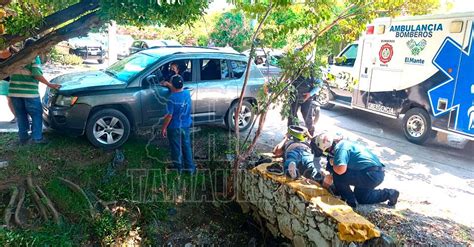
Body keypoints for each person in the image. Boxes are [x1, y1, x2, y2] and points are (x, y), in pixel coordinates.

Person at [315, 133, 400, 208]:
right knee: (362, 198)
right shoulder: (346, 144)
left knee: (337, 175)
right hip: (375, 174)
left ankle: (349, 202)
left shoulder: (341, 147)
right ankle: (390, 193)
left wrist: (329, 176)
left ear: (327, 147)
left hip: (370, 175)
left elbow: (340, 170)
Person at [8, 39, 61, 145]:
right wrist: (49, 84)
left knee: (21, 115)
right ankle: (37, 138)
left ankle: (23, 138)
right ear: (35, 48)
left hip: (14, 92)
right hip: (29, 93)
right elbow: (36, 74)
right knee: (36, 114)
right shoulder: (33, 57)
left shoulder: (15, 57)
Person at [161, 74, 196, 174]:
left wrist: (164, 128)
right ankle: (190, 169)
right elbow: (177, 89)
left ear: (172, 85)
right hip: (185, 126)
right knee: (186, 146)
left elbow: (169, 116)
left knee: (176, 147)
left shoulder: (171, 99)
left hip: (174, 127)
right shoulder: (187, 93)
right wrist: (170, 84)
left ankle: (178, 169)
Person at [287, 68, 321, 136]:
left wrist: (310, 94)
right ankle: (291, 134)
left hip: (307, 97)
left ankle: (310, 135)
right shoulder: (294, 67)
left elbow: (319, 85)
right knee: (291, 116)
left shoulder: (313, 70)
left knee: (307, 118)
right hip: (294, 97)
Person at [1, 45, 19, 123]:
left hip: (16, 79)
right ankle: (16, 116)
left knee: (18, 99)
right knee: (10, 99)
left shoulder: (15, 53)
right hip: (4, 80)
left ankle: (25, 117)